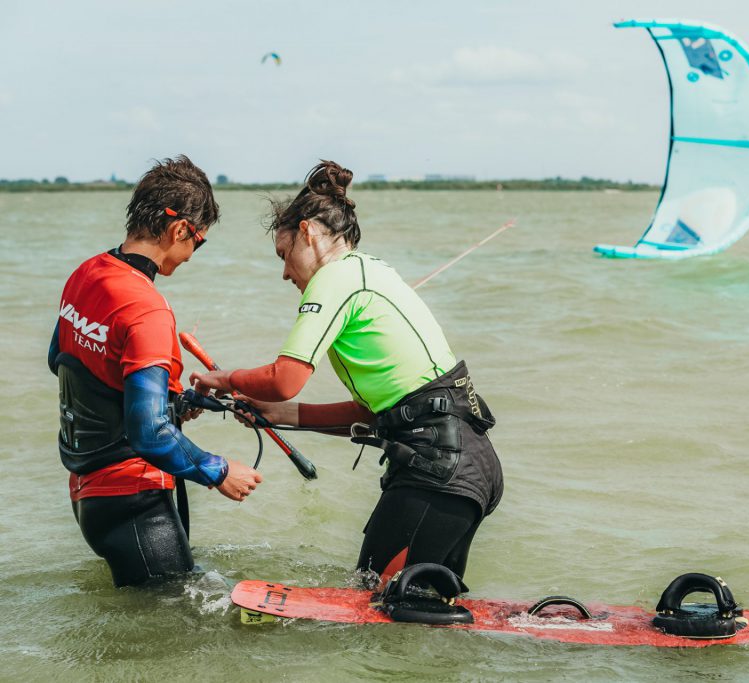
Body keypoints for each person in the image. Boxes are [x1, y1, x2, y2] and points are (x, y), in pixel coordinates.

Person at [191, 160, 503, 585]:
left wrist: (225, 379)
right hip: (469, 463)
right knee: (418, 612)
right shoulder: (373, 270)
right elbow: (380, 413)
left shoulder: (335, 278)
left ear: (308, 233)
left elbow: (284, 379)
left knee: (372, 598)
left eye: (284, 256)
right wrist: (281, 416)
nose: (284, 272)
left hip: (437, 468)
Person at [49, 155, 263, 588]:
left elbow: (63, 360)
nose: (190, 256)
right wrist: (219, 470)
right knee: (179, 633)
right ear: (180, 229)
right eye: (197, 242)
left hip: (89, 493)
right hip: (135, 498)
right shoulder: (147, 308)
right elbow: (148, 434)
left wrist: (175, 402)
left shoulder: (85, 275)